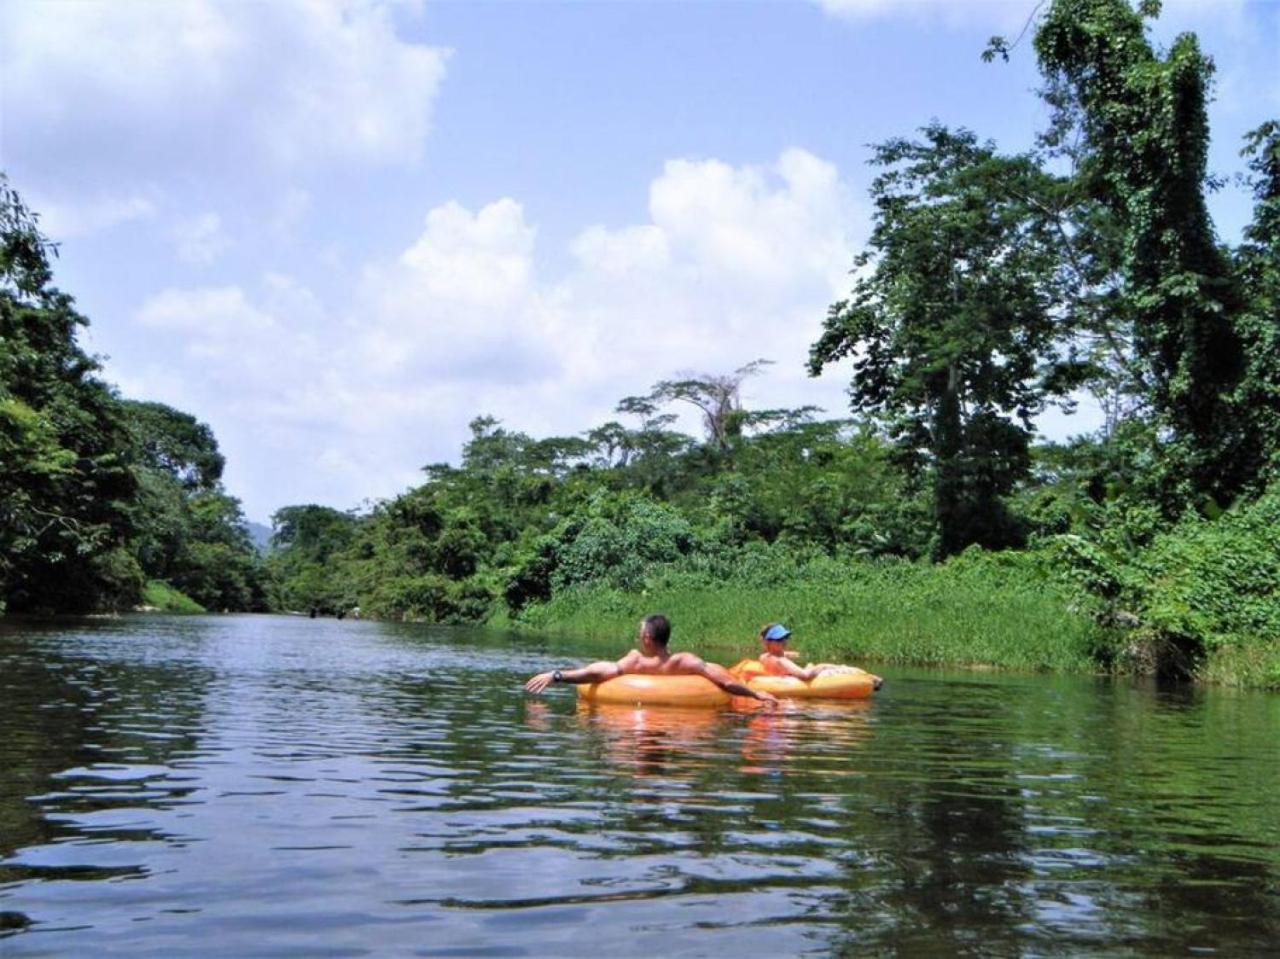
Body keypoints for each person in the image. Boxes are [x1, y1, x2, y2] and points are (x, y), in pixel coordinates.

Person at [524, 613, 777, 705]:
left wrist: (556, 676)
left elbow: (597, 672)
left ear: (646, 637)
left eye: (639, 633)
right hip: (681, 727)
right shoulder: (684, 662)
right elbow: (724, 682)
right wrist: (755, 694)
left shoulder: (635, 662)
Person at [756, 623, 875, 684]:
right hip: (791, 687)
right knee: (821, 666)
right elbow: (804, 675)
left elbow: (782, 654)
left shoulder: (764, 657)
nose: (783, 642)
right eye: (778, 639)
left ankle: (868, 676)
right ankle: (869, 677)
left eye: (784, 638)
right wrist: (820, 667)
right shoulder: (781, 661)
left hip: (780, 680)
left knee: (810, 664)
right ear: (768, 642)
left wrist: (796, 654)